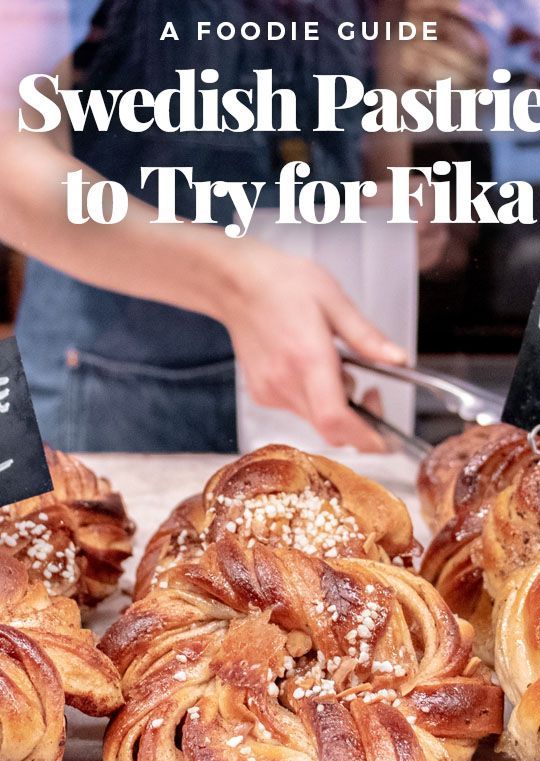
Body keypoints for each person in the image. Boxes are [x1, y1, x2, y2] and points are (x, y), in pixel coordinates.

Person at [0, 0, 439, 453]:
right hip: (101, 389)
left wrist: (393, 210)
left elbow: (378, 126)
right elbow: (7, 165)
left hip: (320, 376)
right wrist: (233, 283)